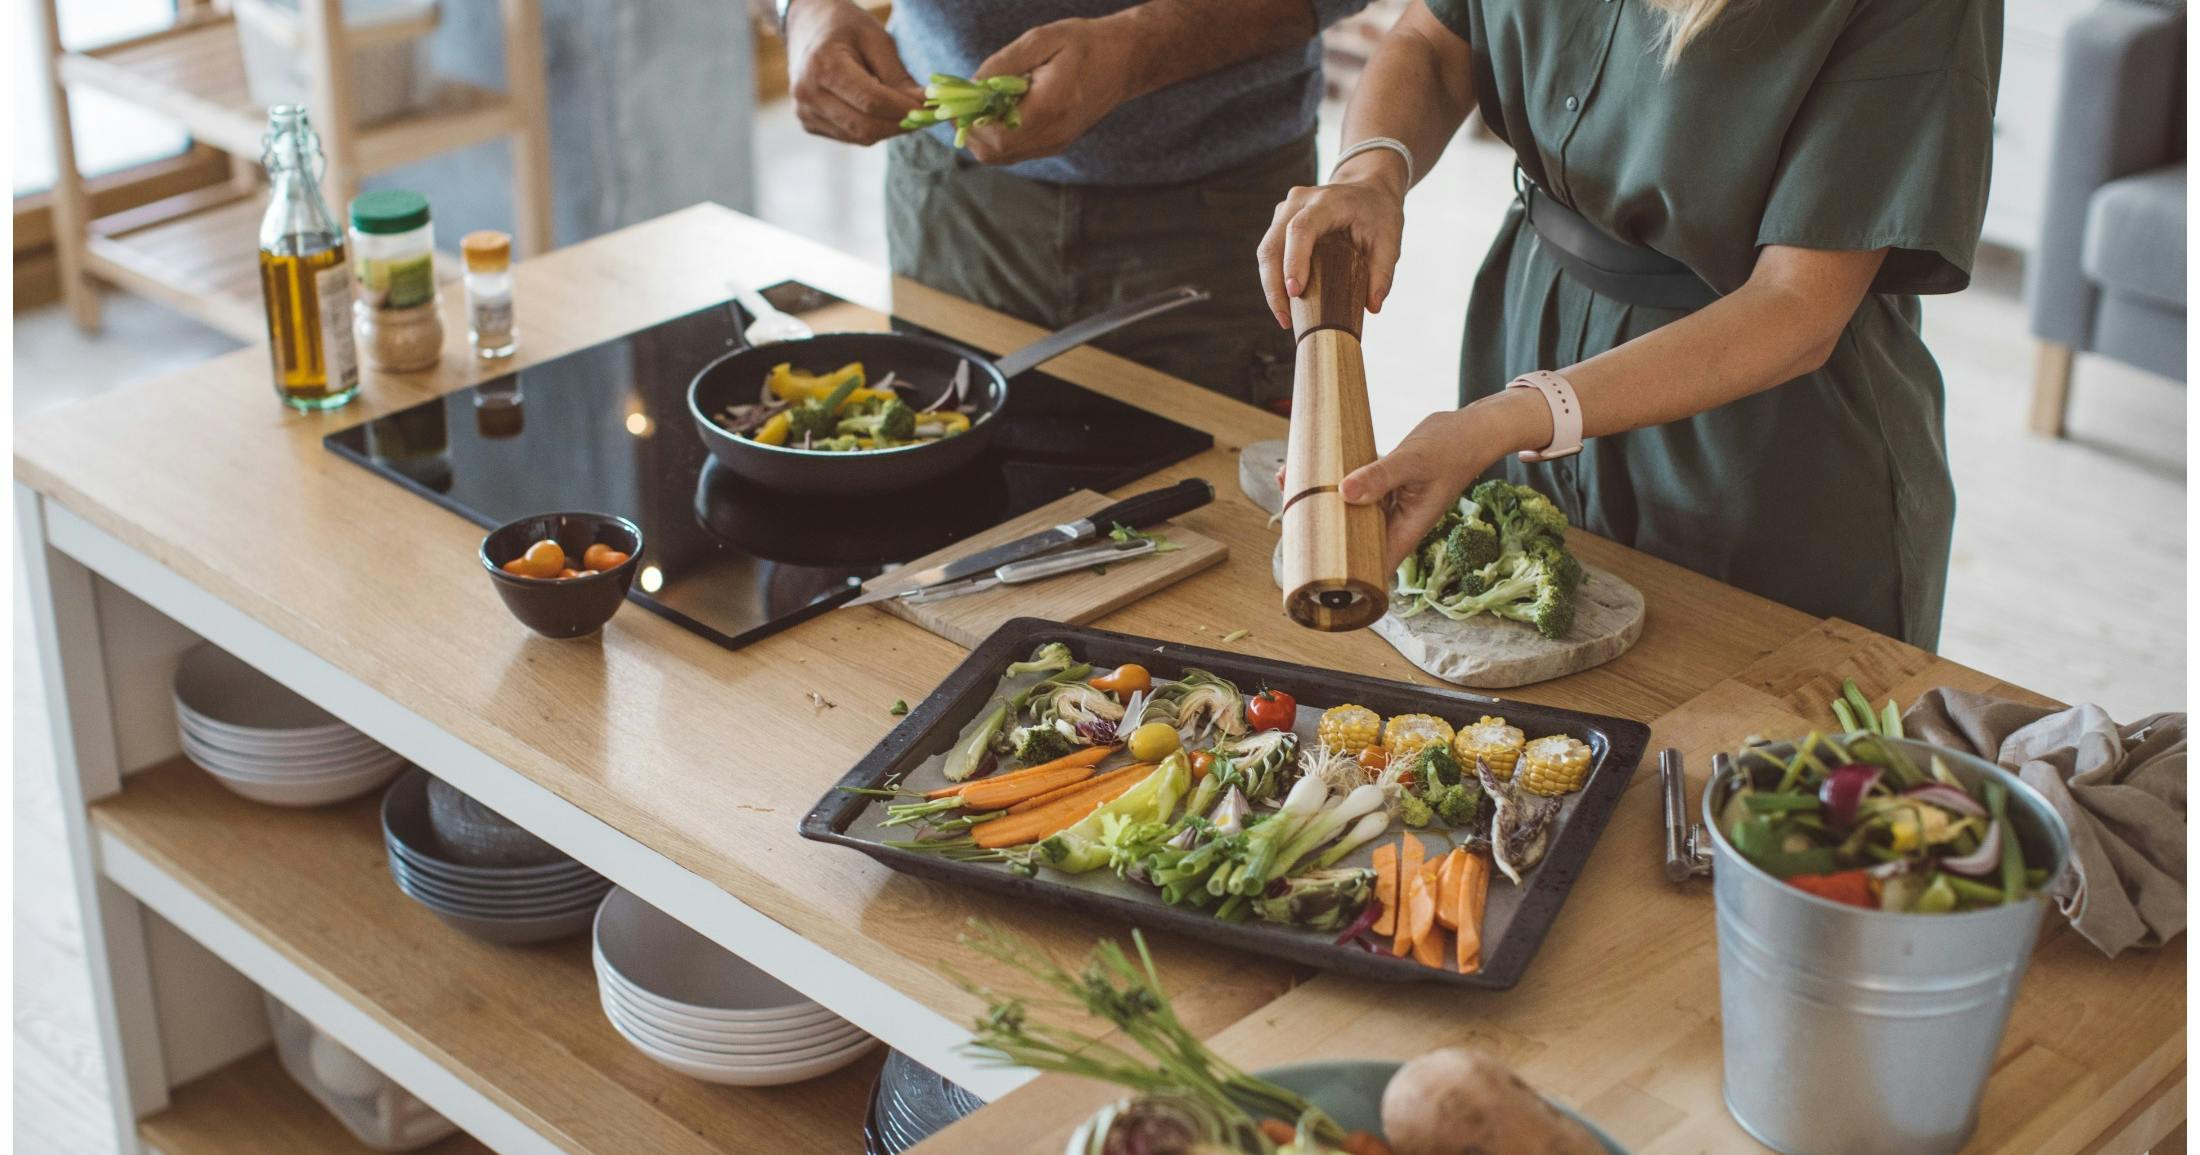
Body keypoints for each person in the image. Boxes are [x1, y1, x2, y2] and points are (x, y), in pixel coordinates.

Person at [1258, 0, 1996, 648]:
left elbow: (1798, 306)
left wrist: (1508, 419)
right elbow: (1433, 41)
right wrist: (1370, 171)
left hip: (1763, 434)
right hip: (1529, 322)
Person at [784, 0, 1369, 407]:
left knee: (1226, 526)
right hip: (951, 201)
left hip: (1222, 210)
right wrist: (802, 12)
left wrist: (1142, 48)